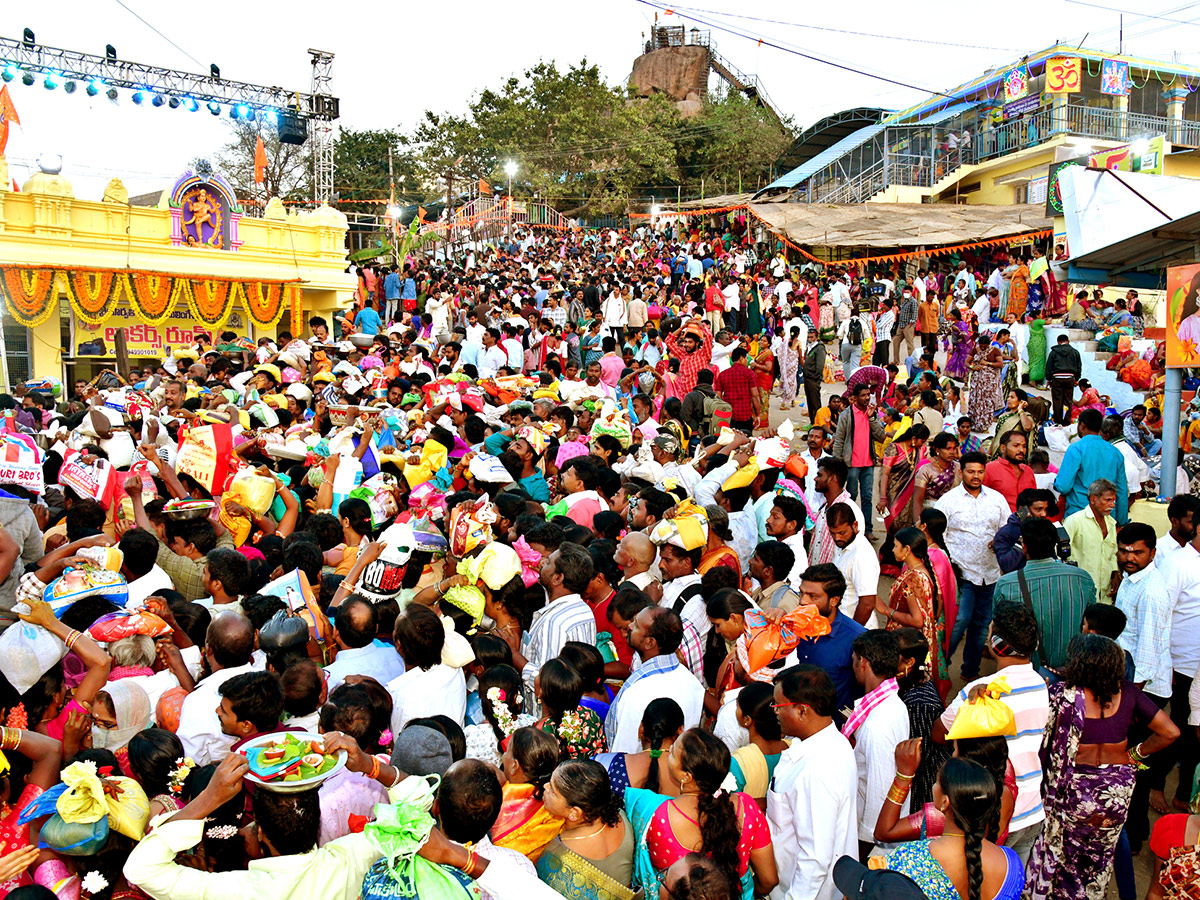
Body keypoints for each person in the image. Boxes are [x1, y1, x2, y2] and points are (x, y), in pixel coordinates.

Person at [1023, 634, 1179, 900]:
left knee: (1064, 858)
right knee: (1099, 860)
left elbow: (1038, 738)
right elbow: (1171, 731)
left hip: (1072, 796)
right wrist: (1135, 754)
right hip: (1114, 796)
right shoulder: (1128, 693)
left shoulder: (1062, 696)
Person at [934, 600, 1049, 864]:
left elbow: (940, 734)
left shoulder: (980, 691)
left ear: (997, 644)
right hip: (1032, 811)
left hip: (996, 817)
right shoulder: (1040, 684)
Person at [640, 728, 778, 900]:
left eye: (673, 752)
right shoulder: (747, 806)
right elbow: (769, 879)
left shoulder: (658, 816)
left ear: (686, 776)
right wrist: (747, 894)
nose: (668, 753)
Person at [873, 758, 1026, 900]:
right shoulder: (1011, 863)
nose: (934, 785)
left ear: (944, 802)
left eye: (937, 782)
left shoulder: (908, 858)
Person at [768, 665, 859, 900]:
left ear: (802, 711)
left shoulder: (818, 769)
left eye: (778, 706)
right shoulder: (829, 741)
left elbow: (816, 857)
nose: (775, 712)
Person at [936, 452, 1011, 682]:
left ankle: (970, 670)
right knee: (959, 620)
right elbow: (938, 535)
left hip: (990, 572)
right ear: (961, 472)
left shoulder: (997, 499)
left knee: (981, 625)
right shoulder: (948, 501)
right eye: (971, 471)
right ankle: (941, 665)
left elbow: (1007, 529)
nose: (976, 476)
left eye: (980, 472)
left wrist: (998, 540)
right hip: (962, 572)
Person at [993, 517, 1094, 676]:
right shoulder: (1083, 578)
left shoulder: (1006, 584)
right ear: (1055, 543)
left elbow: (999, 630)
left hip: (1027, 675)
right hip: (1073, 672)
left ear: (1024, 547)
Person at [846, 630, 910, 859]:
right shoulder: (892, 703)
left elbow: (879, 794)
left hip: (872, 845)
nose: (852, 666)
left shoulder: (877, 726)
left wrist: (861, 855)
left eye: (854, 660)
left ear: (863, 662)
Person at [605, 606, 704, 754]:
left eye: (636, 625)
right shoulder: (692, 682)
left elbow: (624, 756)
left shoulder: (636, 693)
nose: (630, 626)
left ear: (649, 643)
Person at [538, 760, 637, 900]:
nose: (545, 786)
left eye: (553, 791)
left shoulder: (555, 858)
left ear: (575, 813)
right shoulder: (619, 816)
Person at [881, 528, 948, 698]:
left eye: (896, 546)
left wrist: (886, 611)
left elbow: (917, 620)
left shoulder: (915, 578)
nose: (893, 550)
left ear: (907, 549)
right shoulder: (923, 570)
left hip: (906, 643)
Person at [1055, 408, 1129, 525]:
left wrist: (1056, 483)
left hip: (1079, 515)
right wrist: (1121, 522)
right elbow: (1122, 491)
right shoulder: (1115, 452)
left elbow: (1063, 486)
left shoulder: (1076, 448)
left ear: (1082, 425)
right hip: (1107, 517)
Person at [832, 383, 885, 537]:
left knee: (867, 498)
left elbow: (881, 436)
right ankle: (850, 528)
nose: (867, 398)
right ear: (854, 398)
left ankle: (867, 530)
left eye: (868, 394)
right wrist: (837, 463)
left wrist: (872, 418)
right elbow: (839, 440)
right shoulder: (846, 415)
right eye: (863, 395)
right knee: (851, 496)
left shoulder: (873, 414)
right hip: (852, 464)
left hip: (868, 463)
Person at [877, 424, 929, 576]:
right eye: (922, 441)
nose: (923, 444)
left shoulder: (921, 450)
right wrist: (883, 497)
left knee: (906, 528)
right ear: (913, 439)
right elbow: (885, 474)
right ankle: (887, 563)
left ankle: (900, 564)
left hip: (912, 496)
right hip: (893, 496)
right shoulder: (894, 448)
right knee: (893, 527)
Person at [1064, 479, 1119, 605]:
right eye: (1108, 500)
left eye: (1113, 500)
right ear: (1093, 499)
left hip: (1105, 592)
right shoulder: (1074, 521)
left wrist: (1115, 573)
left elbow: (1113, 553)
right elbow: (1062, 554)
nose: (1112, 505)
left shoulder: (1111, 523)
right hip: (1080, 590)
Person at [826, 502, 880, 627]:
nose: (837, 538)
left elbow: (867, 603)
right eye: (833, 533)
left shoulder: (862, 556)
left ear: (855, 526)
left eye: (842, 533)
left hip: (857, 629)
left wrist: (851, 634)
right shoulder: (843, 544)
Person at [984, 430, 1036, 514]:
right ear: (1003, 448)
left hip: (1025, 523)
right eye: (1016, 446)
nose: (1021, 450)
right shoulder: (989, 469)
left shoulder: (1028, 471)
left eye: (1024, 446)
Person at [966, 335, 1004, 432]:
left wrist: (988, 364)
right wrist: (973, 367)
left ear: (989, 344)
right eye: (981, 346)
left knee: (987, 402)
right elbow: (967, 362)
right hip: (977, 381)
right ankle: (974, 423)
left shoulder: (995, 350)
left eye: (985, 346)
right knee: (975, 401)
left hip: (989, 382)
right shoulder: (975, 350)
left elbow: (1000, 364)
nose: (983, 348)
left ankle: (984, 425)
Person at [1046, 334, 1082, 426]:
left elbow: (1049, 366)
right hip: (1070, 378)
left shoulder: (1053, 352)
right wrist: (1076, 378)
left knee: (1057, 400)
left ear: (1058, 342)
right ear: (1068, 341)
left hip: (1057, 378)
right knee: (1068, 400)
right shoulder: (1075, 352)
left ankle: (1058, 420)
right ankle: (1066, 421)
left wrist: (1049, 379)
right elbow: (1078, 366)